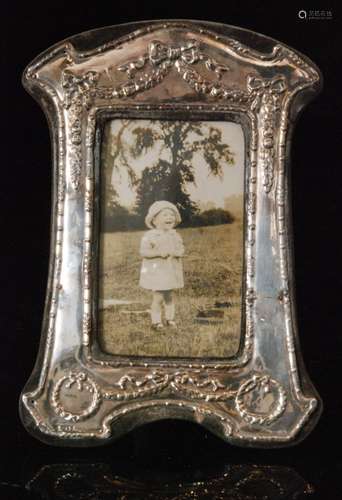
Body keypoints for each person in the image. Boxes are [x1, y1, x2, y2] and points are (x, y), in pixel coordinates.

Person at [139, 201, 184, 330]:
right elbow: (143, 252)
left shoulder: (175, 235)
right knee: (158, 297)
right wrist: (158, 253)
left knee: (169, 296)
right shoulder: (150, 236)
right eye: (165, 215)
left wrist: (177, 253)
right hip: (157, 272)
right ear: (154, 220)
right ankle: (156, 322)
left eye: (172, 215)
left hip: (170, 271)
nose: (170, 217)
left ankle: (170, 319)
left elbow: (181, 249)